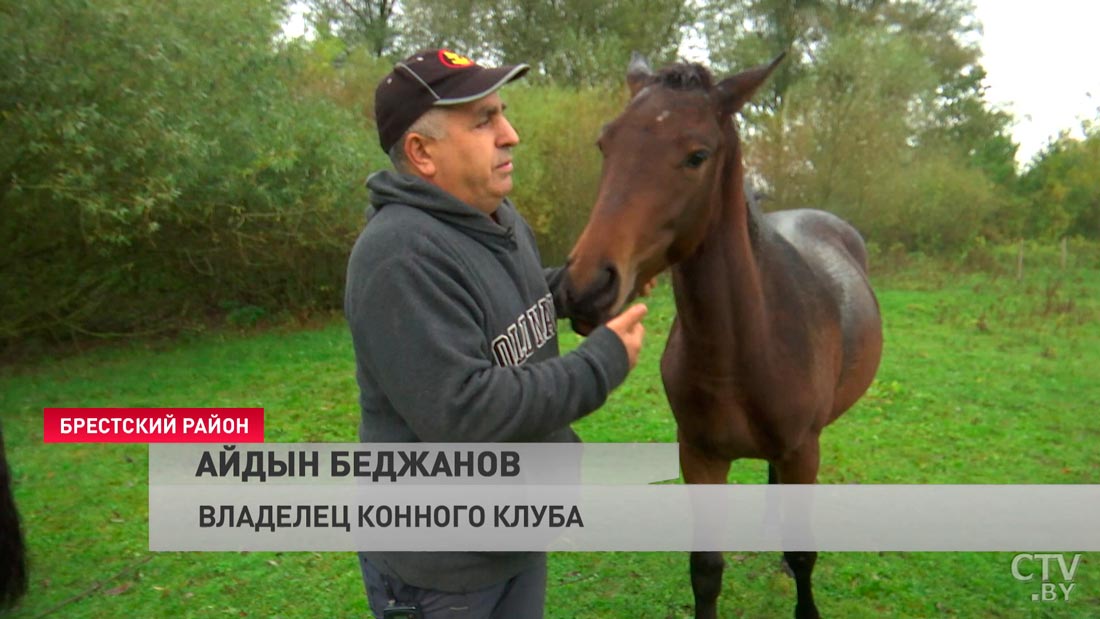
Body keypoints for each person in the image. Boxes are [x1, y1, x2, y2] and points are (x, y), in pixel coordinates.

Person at [344, 49, 648, 619]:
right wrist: (600, 363)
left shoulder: (496, 219)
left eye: (501, 114)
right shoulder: (399, 255)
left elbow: (512, 298)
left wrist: (578, 291)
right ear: (421, 153)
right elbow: (463, 411)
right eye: (483, 121)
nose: (510, 135)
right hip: (444, 568)